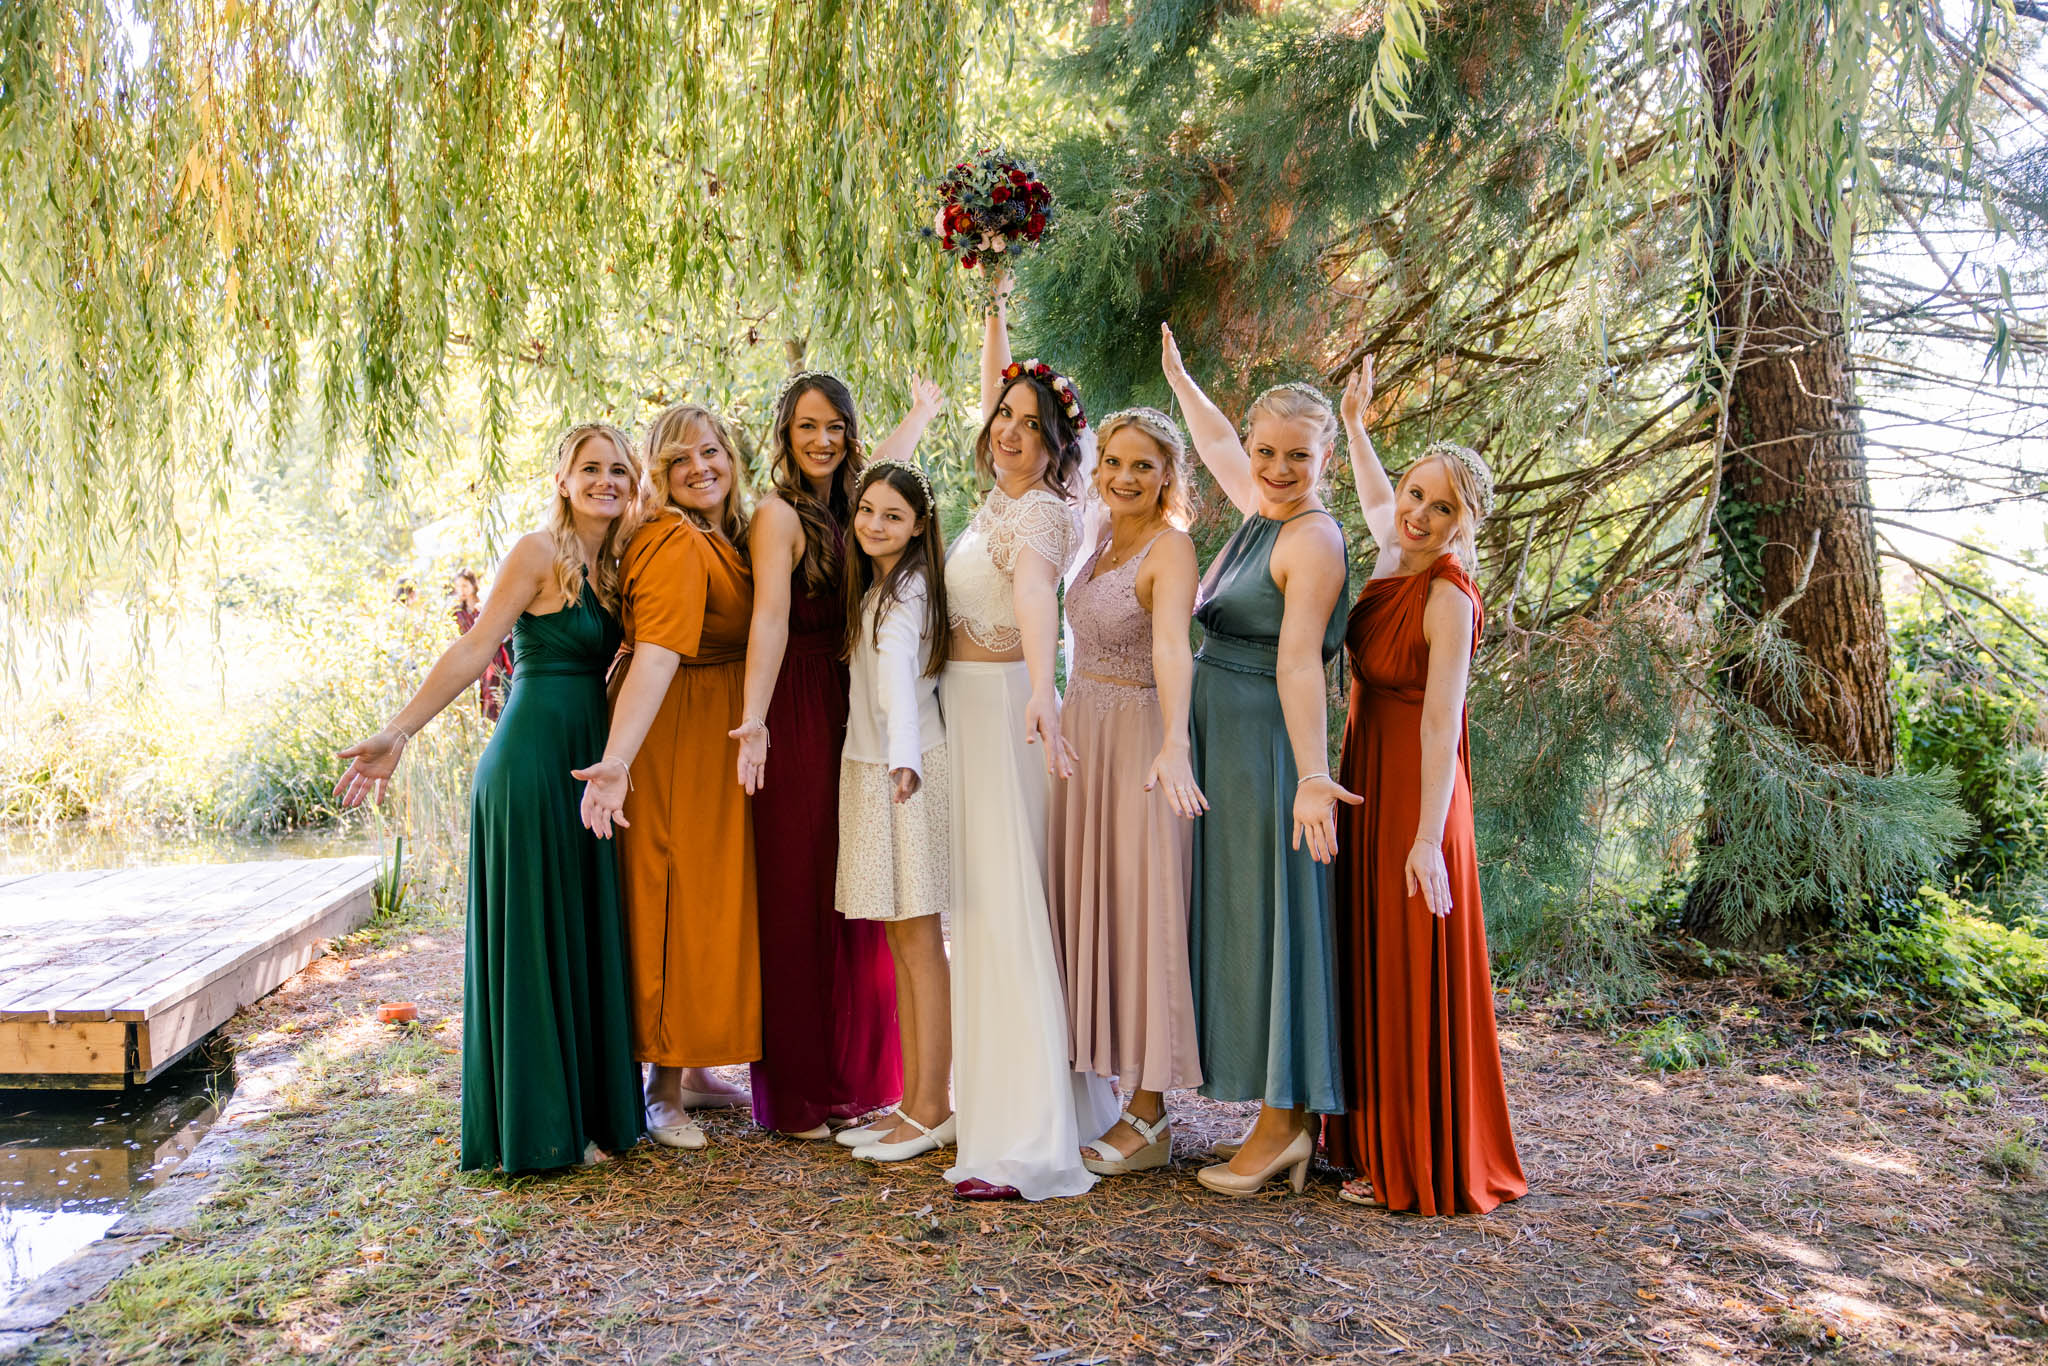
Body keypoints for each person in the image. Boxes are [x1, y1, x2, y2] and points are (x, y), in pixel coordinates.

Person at [335, 423, 644, 1173]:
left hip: (590, 758)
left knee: (580, 924)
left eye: (618, 469)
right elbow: (476, 648)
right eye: (590, 468)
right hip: (531, 761)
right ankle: (541, 1128)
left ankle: (589, 1113)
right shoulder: (538, 553)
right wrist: (399, 732)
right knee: (535, 934)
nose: (605, 481)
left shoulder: (621, 563)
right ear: (563, 481)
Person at [1324, 359, 1528, 1214]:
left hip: (1419, 791)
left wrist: (1424, 839)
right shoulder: (1395, 553)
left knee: (1407, 962)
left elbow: (1443, 723)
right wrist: (1356, 427)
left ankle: (1413, 1159)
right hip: (1368, 771)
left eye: (1441, 508)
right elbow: (1379, 500)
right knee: (1370, 955)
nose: (1416, 513)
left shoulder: (1448, 598)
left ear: (1464, 524)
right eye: (1415, 493)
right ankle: (1368, 1139)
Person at [1160, 323, 1357, 1198]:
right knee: (1238, 915)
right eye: (1266, 451)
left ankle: (1286, 1123)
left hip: (1266, 752)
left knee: (1272, 918)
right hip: (1222, 743)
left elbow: (1299, 663)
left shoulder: (1311, 539)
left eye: (1298, 457)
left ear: (1326, 460)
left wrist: (1311, 778)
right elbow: (1213, 444)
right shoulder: (1260, 511)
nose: (1277, 468)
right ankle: (1270, 1118)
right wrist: (1181, 380)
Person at [726, 371, 941, 1139]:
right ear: (784, 435)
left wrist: (919, 415)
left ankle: (857, 1082)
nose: (822, 440)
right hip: (797, 703)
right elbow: (770, 620)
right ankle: (799, 1093)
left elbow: (886, 468)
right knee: (799, 891)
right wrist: (755, 721)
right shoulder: (778, 515)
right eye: (806, 427)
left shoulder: (855, 504)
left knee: (858, 892)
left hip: (856, 707)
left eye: (835, 427)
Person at [942, 273, 1118, 1201]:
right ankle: (1019, 1108)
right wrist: (992, 300)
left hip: (1006, 712)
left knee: (1007, 912)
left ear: (1057, 444)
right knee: (984, 913)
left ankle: (1026, 1141)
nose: (1009, 429)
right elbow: (996, 390)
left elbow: (1035, 598)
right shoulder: (1000, 498)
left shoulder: (1043, 510)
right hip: (970, 714)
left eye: (1029, 423)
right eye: (1003, 417)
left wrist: (1044, 691)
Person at [576, 402, 758, 1151]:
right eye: (678, 459)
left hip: (707, 726)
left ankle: (693, 1062)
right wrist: (618, 762)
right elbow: (655, 654)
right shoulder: (678, 539)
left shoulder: (715, 533)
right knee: (672, 892)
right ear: (659, 473)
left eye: (709, 452)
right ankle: (661, 1088)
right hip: (674, 727)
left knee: (704, 896)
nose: (698, 468)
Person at [1047, 407, 1207, 1176]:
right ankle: (1109, 1090)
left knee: (1146, 913)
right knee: (1097, 905)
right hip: (1086, 735)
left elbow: (1173, 647)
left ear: (1168, 474)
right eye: (1113, 461)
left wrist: (1175, 743)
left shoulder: (1171, 548)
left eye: (1143, 465)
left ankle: (1151, 1113)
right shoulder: (1100, 535)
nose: (1124, 477)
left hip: (1141, 740)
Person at [830, 461, 957, 1162]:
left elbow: (899, 685)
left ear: (918, 526)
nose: (875, 525)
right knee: (900, 942)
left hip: (901, 772)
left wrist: (904, 758)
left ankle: (934, 1107)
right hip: (874, 765)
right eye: (867, 511)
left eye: (893, 516)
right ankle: (913, 1101)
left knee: (918, 939)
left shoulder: (907, 593)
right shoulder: (880, 587)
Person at [453, 569, 513, 719]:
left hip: (497, 656)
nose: (461, 590)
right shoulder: (456, 613)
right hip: (473, 660)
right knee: (483, 700)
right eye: (458, 586)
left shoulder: (486, 605)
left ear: (473, 585)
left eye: (465, 585)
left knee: (502, 694)